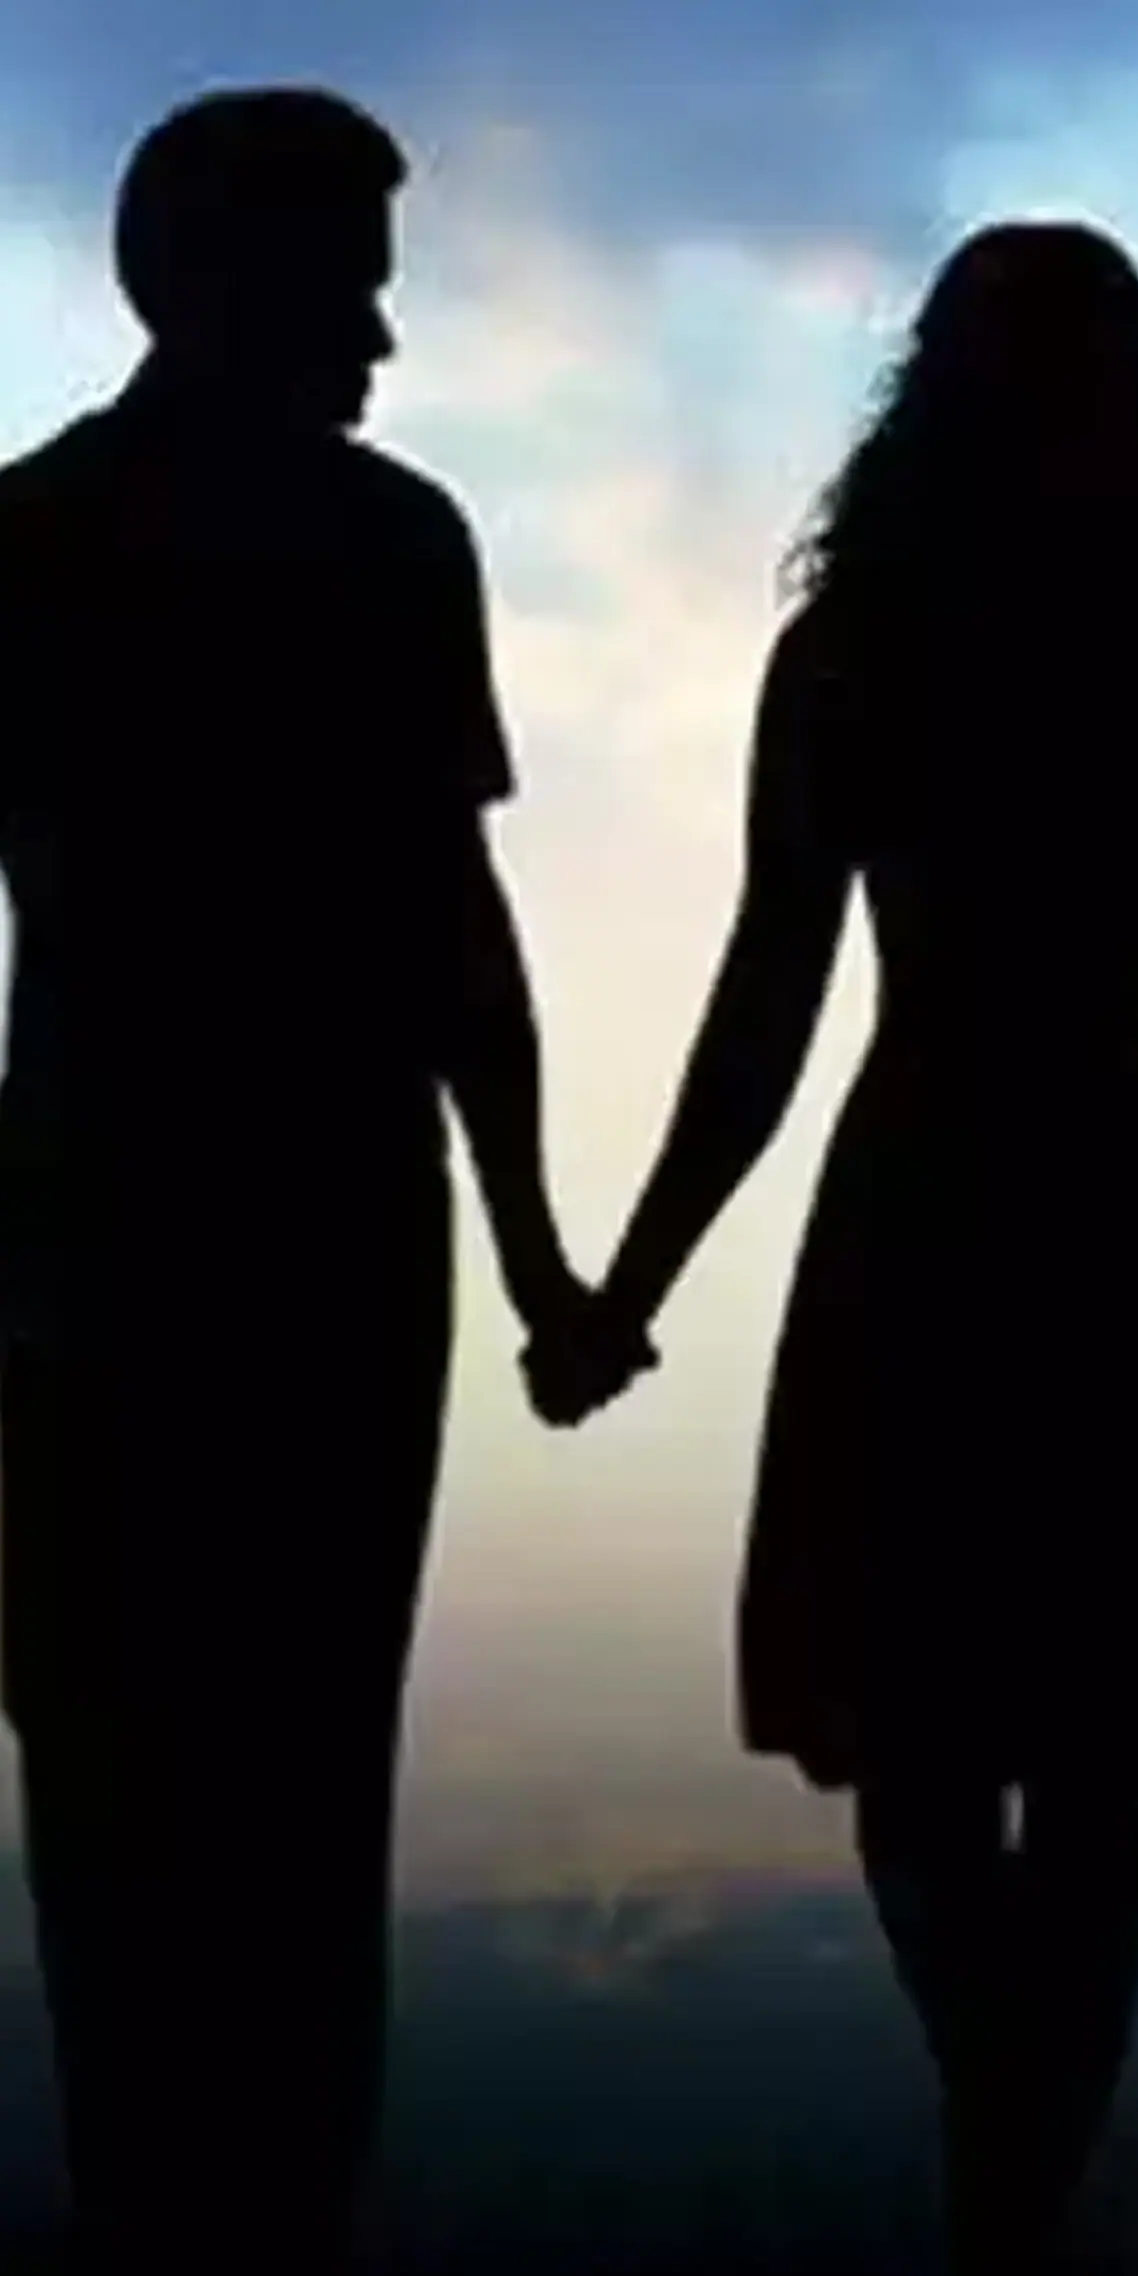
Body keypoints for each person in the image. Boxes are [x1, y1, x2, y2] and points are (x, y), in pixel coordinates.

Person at [524, 219, 1138, 2271]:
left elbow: (766, 1007)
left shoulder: (862, 644)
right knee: (1091, 1750)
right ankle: (1017, 2190)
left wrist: (623, 1290)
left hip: (929, 1196)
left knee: (935, 1744)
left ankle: (999, 2183)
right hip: (1133, 1200)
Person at [0, 86, 650, 2274]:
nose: (380, 333)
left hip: (135, 1249)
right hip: (284, 1250)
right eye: (349, 283)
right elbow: (458, 944)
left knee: (141, 1793)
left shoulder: (49, 540)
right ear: (217, 278)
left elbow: (456, 940)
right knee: (274, 1786)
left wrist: (541, 1266)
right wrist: (547, 1269)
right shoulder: (370, 548)